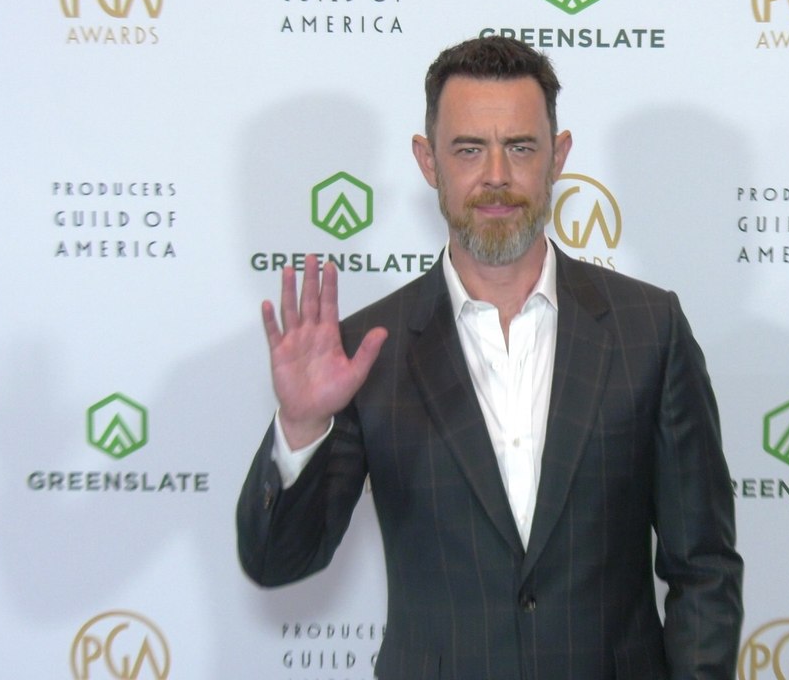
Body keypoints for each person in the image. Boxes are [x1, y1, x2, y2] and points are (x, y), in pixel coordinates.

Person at [237, 36, 742, 679]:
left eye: (521, 147)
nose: (496, 176)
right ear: (428, 161)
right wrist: (302, 428)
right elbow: (277, 560)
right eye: (469, 149)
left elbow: (704, 566)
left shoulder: (649, 328)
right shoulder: (368, 350)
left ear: (558, 157)